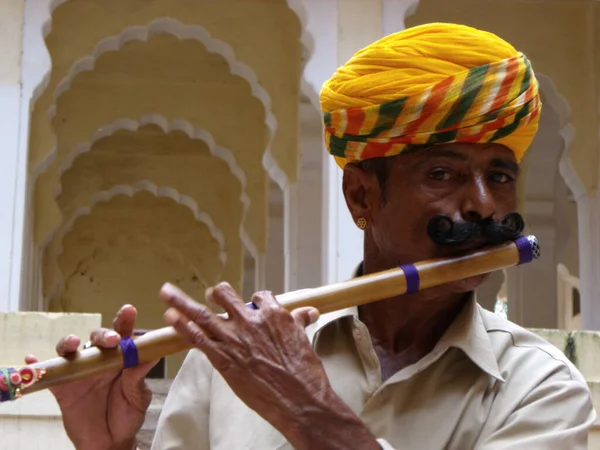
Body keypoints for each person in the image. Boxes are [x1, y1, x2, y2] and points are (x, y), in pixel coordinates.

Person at [28, 23, 595, 449]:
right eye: (442, 175)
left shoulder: (541, 386)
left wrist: (306, 407)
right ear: (362, 198)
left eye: (499, 176)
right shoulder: (231, 357)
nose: (481, 202)